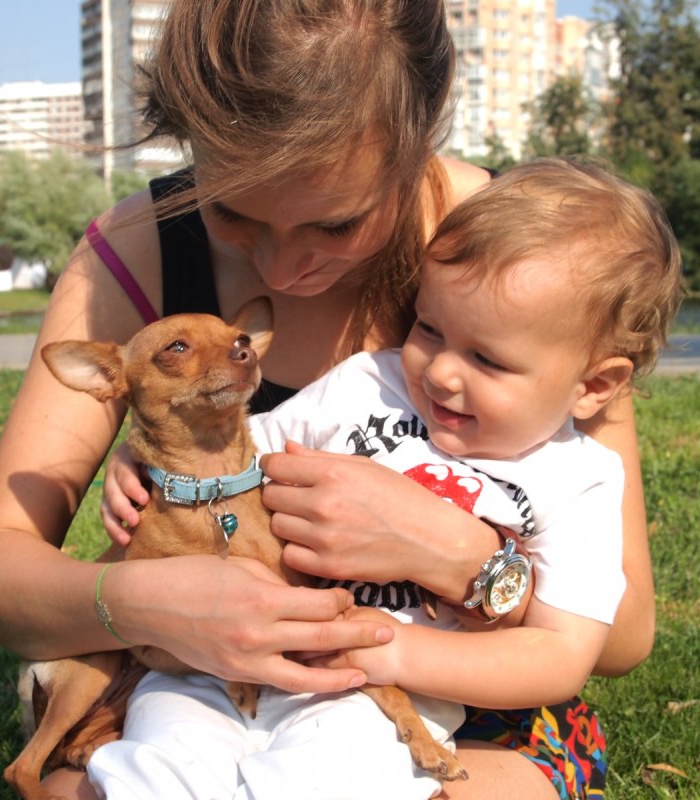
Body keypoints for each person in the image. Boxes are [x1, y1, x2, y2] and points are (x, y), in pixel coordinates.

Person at [0, 2, 656, 798]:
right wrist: (147, 600)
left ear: (419, 140)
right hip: (196, 682)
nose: (282, 272)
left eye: (338, 223)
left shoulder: (530, 267)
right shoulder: (142, 250)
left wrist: (461, 558)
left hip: (459, 691)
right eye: (231, 210)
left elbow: (622, 635)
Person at [86, 158, 683, 799]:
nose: (441, 371)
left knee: (327, 780)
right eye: (429, 328)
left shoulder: (580, 481)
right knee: (157, 760)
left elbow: (560, 656)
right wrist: (154, 457)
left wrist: (390, 652)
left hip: (373, 695)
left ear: (594, 386)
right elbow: (238, 452)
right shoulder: (369, 382)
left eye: (487, 359)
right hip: (232, 655)